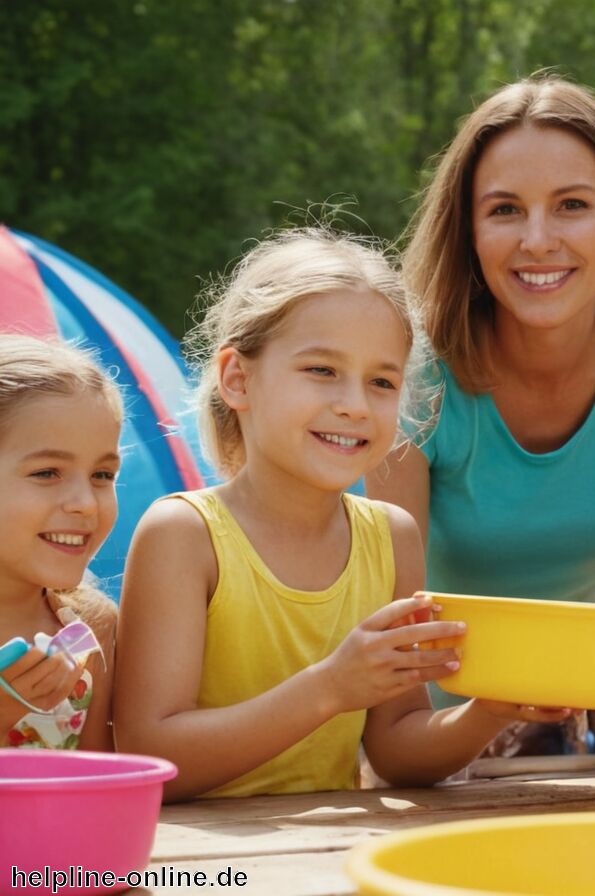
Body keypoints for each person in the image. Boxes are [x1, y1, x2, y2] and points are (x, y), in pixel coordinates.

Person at [114, 228, 549, 801]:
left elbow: (396, 750)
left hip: (324, 860)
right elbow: (152, 759)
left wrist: (488, 711)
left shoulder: (391, 537)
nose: (354, 404)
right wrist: (330, 688)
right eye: (321, 370)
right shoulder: (185, 536)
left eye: (381, 381)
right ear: (237, 379)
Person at [368, 74, 595, 753]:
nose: (538, 240)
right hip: (431, 735)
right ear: (469, 228)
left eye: (571, 205)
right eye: (505, 210)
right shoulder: (411, 377)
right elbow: (396, 640)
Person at [0, 334, 120, 751]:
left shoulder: (92, 627)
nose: (86, 504)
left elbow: (95, 785)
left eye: (102, 475)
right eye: (47, 472)